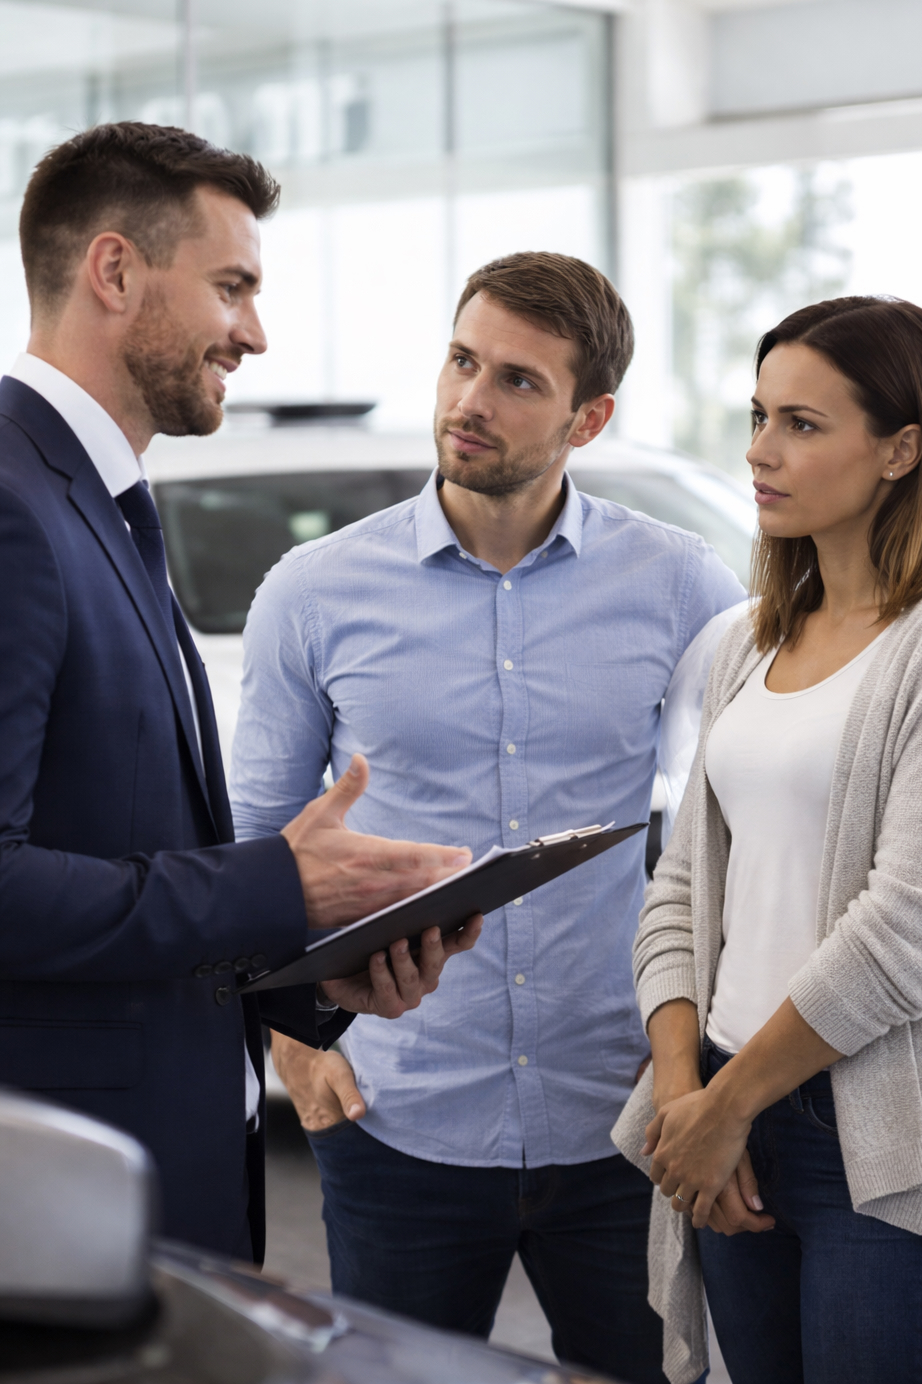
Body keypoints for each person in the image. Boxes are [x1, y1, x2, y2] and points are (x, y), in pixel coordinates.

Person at [230, 251, 744, 1382]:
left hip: (619, 1114)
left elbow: (738, 830)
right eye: (463, 360)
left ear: (588, 415)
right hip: (397, 1106)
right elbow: (251, 848)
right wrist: (285, 1047)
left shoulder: (682, 588)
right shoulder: (313, 594)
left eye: (517, 380)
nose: (470, 399)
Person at [0, 121, 480, 1265]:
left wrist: (311, 967)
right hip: (63, 1194)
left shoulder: (102, 500)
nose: (254, 334)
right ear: (114, 271)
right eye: (232, 287)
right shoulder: (13, 505)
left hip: (151, 1171)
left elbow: (117, 851)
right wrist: (274, 882)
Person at [614, 295, 922, 1384]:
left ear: (902, 449)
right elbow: (682, 882)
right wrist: (681, 1095)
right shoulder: (750, 643)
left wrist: (729, 1100)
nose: (759, 451)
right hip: (722, 1107)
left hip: (886, 1145)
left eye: (801, 423)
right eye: (756, 416)